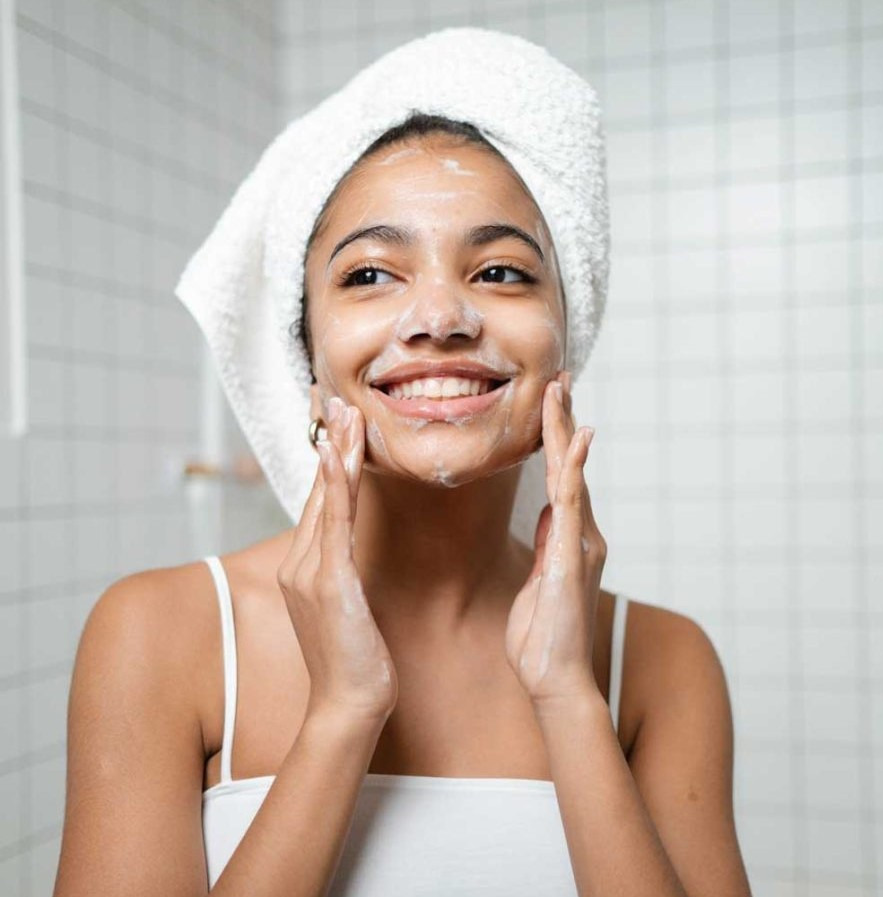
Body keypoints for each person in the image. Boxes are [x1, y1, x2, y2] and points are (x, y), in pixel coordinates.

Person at [53, 29, 752, 897]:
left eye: (499, 270)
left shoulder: (659, 663)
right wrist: (341, 714)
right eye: (371, 275)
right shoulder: (160, 635)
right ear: (306, 358)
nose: (439, 315)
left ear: (563, 345)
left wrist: (569, 697)